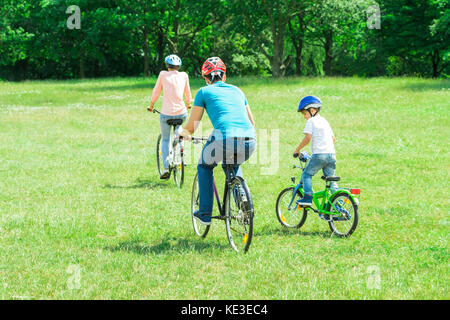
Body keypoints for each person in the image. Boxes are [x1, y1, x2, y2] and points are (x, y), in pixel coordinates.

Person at [178, 57, 256, 226]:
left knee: (204, 166)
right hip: (250, 139)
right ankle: (242, 198)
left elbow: (192, 126)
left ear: (206, 79)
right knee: (233, 166)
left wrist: (183, 133)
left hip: (224, 137)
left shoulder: (204, 92)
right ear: (224, 76)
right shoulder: (238, 91)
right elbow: (252, 122)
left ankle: (205, 213)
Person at [148, 54, 193, 179]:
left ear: (167, 65)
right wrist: (188, 103)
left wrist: (151, 105)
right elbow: (187, 93)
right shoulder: (184, 75)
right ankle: (181, 150)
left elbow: (156, 92)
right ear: (178, 66)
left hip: (166, 114)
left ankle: (166, 168)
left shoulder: (163, 75)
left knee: (166, 139)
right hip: (181, 113)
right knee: (179, 130)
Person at [294, 95, 338, 206]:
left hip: (319, 155)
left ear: (312, 110)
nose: (304, 116)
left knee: (306, 175)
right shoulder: (325, 121)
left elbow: (308, 138)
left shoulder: (311, 121)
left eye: (305, 113)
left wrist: (297, 150)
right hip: (331, 155)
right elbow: (333, 139)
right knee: (331, 181)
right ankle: (338, 203)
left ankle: (307, 197)